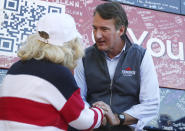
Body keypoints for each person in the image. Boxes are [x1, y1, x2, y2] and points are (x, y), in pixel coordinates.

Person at [0, 13, 107, 131]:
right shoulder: (58, 74)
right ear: (71, 45)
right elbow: (82, 120)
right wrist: (100, 112)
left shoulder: (15, 68)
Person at [74, 2, 160, 131]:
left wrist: (117, 118)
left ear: (121, 30)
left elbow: (151, 104)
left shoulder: (141, 56)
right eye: (95, 28)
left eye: (104, 29)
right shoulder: (84, 57)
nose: (97, 35)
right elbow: (78, 98)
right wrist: (94, 116)